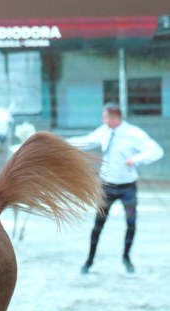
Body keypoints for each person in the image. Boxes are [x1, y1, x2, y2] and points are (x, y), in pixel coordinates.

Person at [68, 102, 164, 274]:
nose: (103, 120)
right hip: (107, 187)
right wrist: (60, 143)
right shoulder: (104, 132)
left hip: (128, 188)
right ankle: (89, 260)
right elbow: (86, 141)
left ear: (114, 117)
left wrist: (137, 159)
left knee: (131, 223)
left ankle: (126, 258)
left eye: (105, 117)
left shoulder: (133, 133)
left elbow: (156, 150)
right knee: (98, 225)